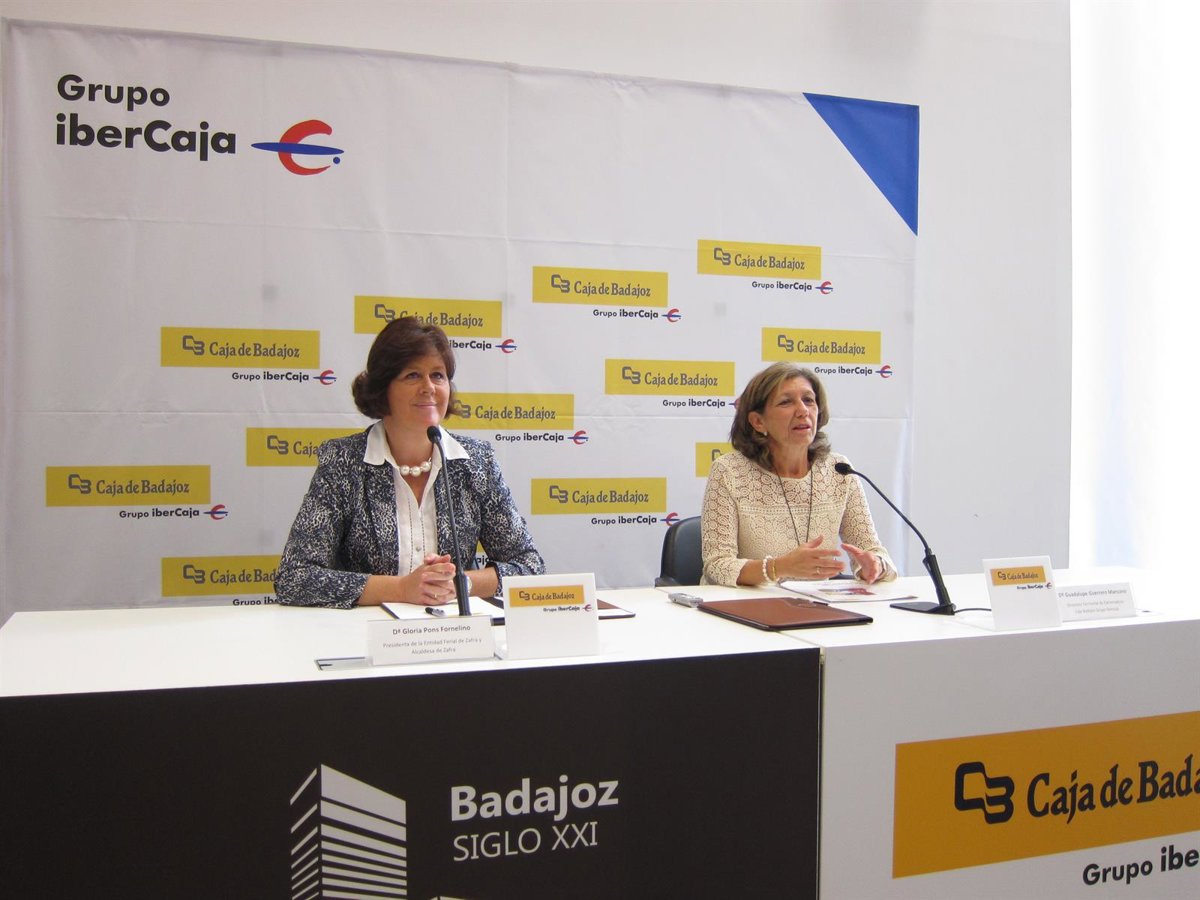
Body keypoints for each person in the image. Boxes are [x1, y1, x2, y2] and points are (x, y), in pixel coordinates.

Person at [275, 316, 545, 608]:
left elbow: (530, 566)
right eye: (413, 375)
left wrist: (460, 584)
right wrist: (402, 589)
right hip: (368, 630)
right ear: (383, 389)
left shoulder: (477, 463)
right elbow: (294, 577)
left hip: (456, 630)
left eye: (438, 375)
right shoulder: (343, 462)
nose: (429, 387)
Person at [701, 362, 896, 587]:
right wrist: (779, 567)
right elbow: (717, 565)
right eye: (786, 402)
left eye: (809, 400)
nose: (803, 411)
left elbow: (871, 548)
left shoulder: (838, 470)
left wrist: (875, 565)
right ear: (758, 421)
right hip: (746, 602)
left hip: (816, 602)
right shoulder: (730, 471)